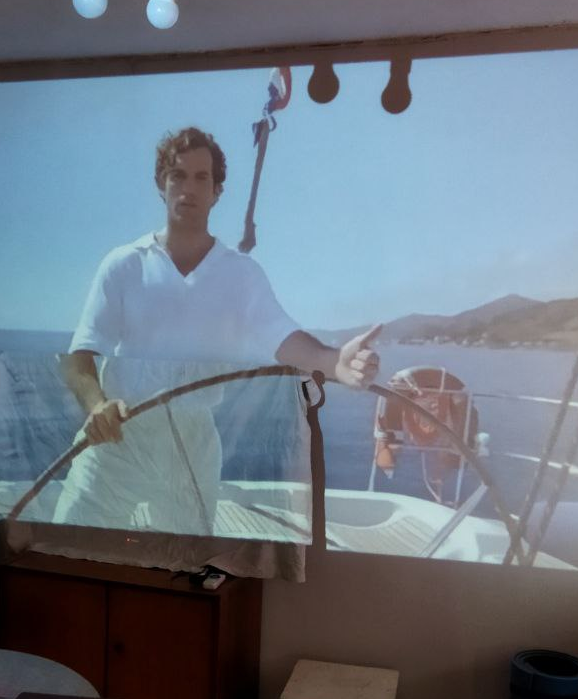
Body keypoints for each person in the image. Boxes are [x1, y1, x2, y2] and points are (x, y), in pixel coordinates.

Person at [52, 126, 381, 535]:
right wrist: (96, 405)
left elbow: (281, 335)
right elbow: (80, 356)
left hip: (192, 447)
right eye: (177, 176)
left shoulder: (240, 274)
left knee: (184, 563)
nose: (188, 188)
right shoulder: (124, 264)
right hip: (118, 434)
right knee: (67, 545)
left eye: (201, 177)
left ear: (216, 191)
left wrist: (334, 363)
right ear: (161, 185)